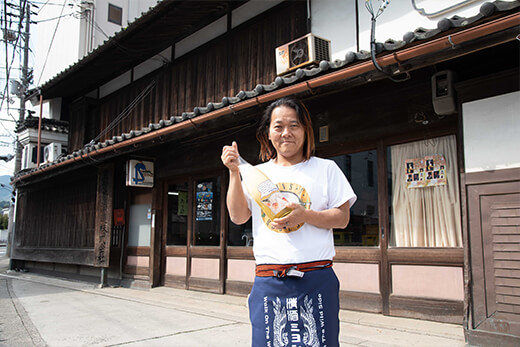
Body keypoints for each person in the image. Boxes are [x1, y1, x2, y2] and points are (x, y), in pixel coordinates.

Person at [221, 97, 356, 347]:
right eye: (278, 126)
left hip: (316, 278)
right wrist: (233, 172)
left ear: (306, 130)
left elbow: (343, 218)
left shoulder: (326, 169)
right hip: (269, 279)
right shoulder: (257, 174)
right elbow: (238, 216)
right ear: (268, 133)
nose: (286, 133)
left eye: (294, 125)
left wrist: (305, 215)